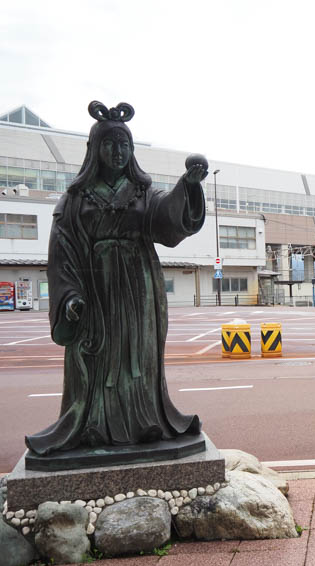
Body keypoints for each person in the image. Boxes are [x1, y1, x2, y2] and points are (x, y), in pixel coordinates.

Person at [26, 101, 207, 455]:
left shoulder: (143, 193)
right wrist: (69, 295)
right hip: (95, 287)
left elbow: (166, 218)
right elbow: (62, 251)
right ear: (94, 149)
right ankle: (92, 424)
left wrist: (187, 187)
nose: (118, 151)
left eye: (124, 144)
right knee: (97, 354)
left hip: (139, 287)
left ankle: (146, 420)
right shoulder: (75, 199)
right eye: (109, 144)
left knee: (138, 354)